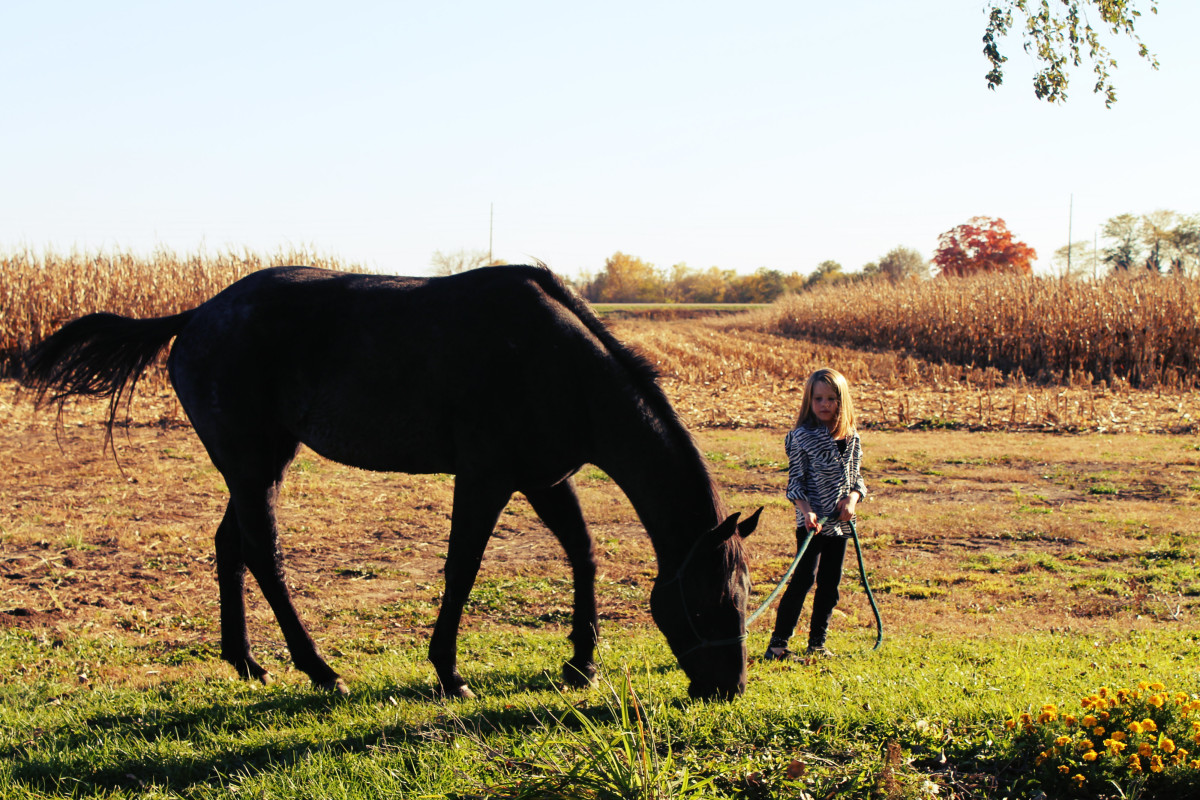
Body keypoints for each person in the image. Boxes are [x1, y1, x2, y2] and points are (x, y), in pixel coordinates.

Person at [764, 367, 867, 660]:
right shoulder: (800, 437)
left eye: (831, 399)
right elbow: (795, 482)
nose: (824, 405)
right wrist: (807, 512)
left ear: (841, 401)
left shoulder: (852, 439)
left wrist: (852, 499)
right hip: (812, 524)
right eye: (818, 398)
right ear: (809, 401)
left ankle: (817, 644)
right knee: (803, 580)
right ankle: (778, 644)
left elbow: (857, 480)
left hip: (842, 525)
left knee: (830, 584)